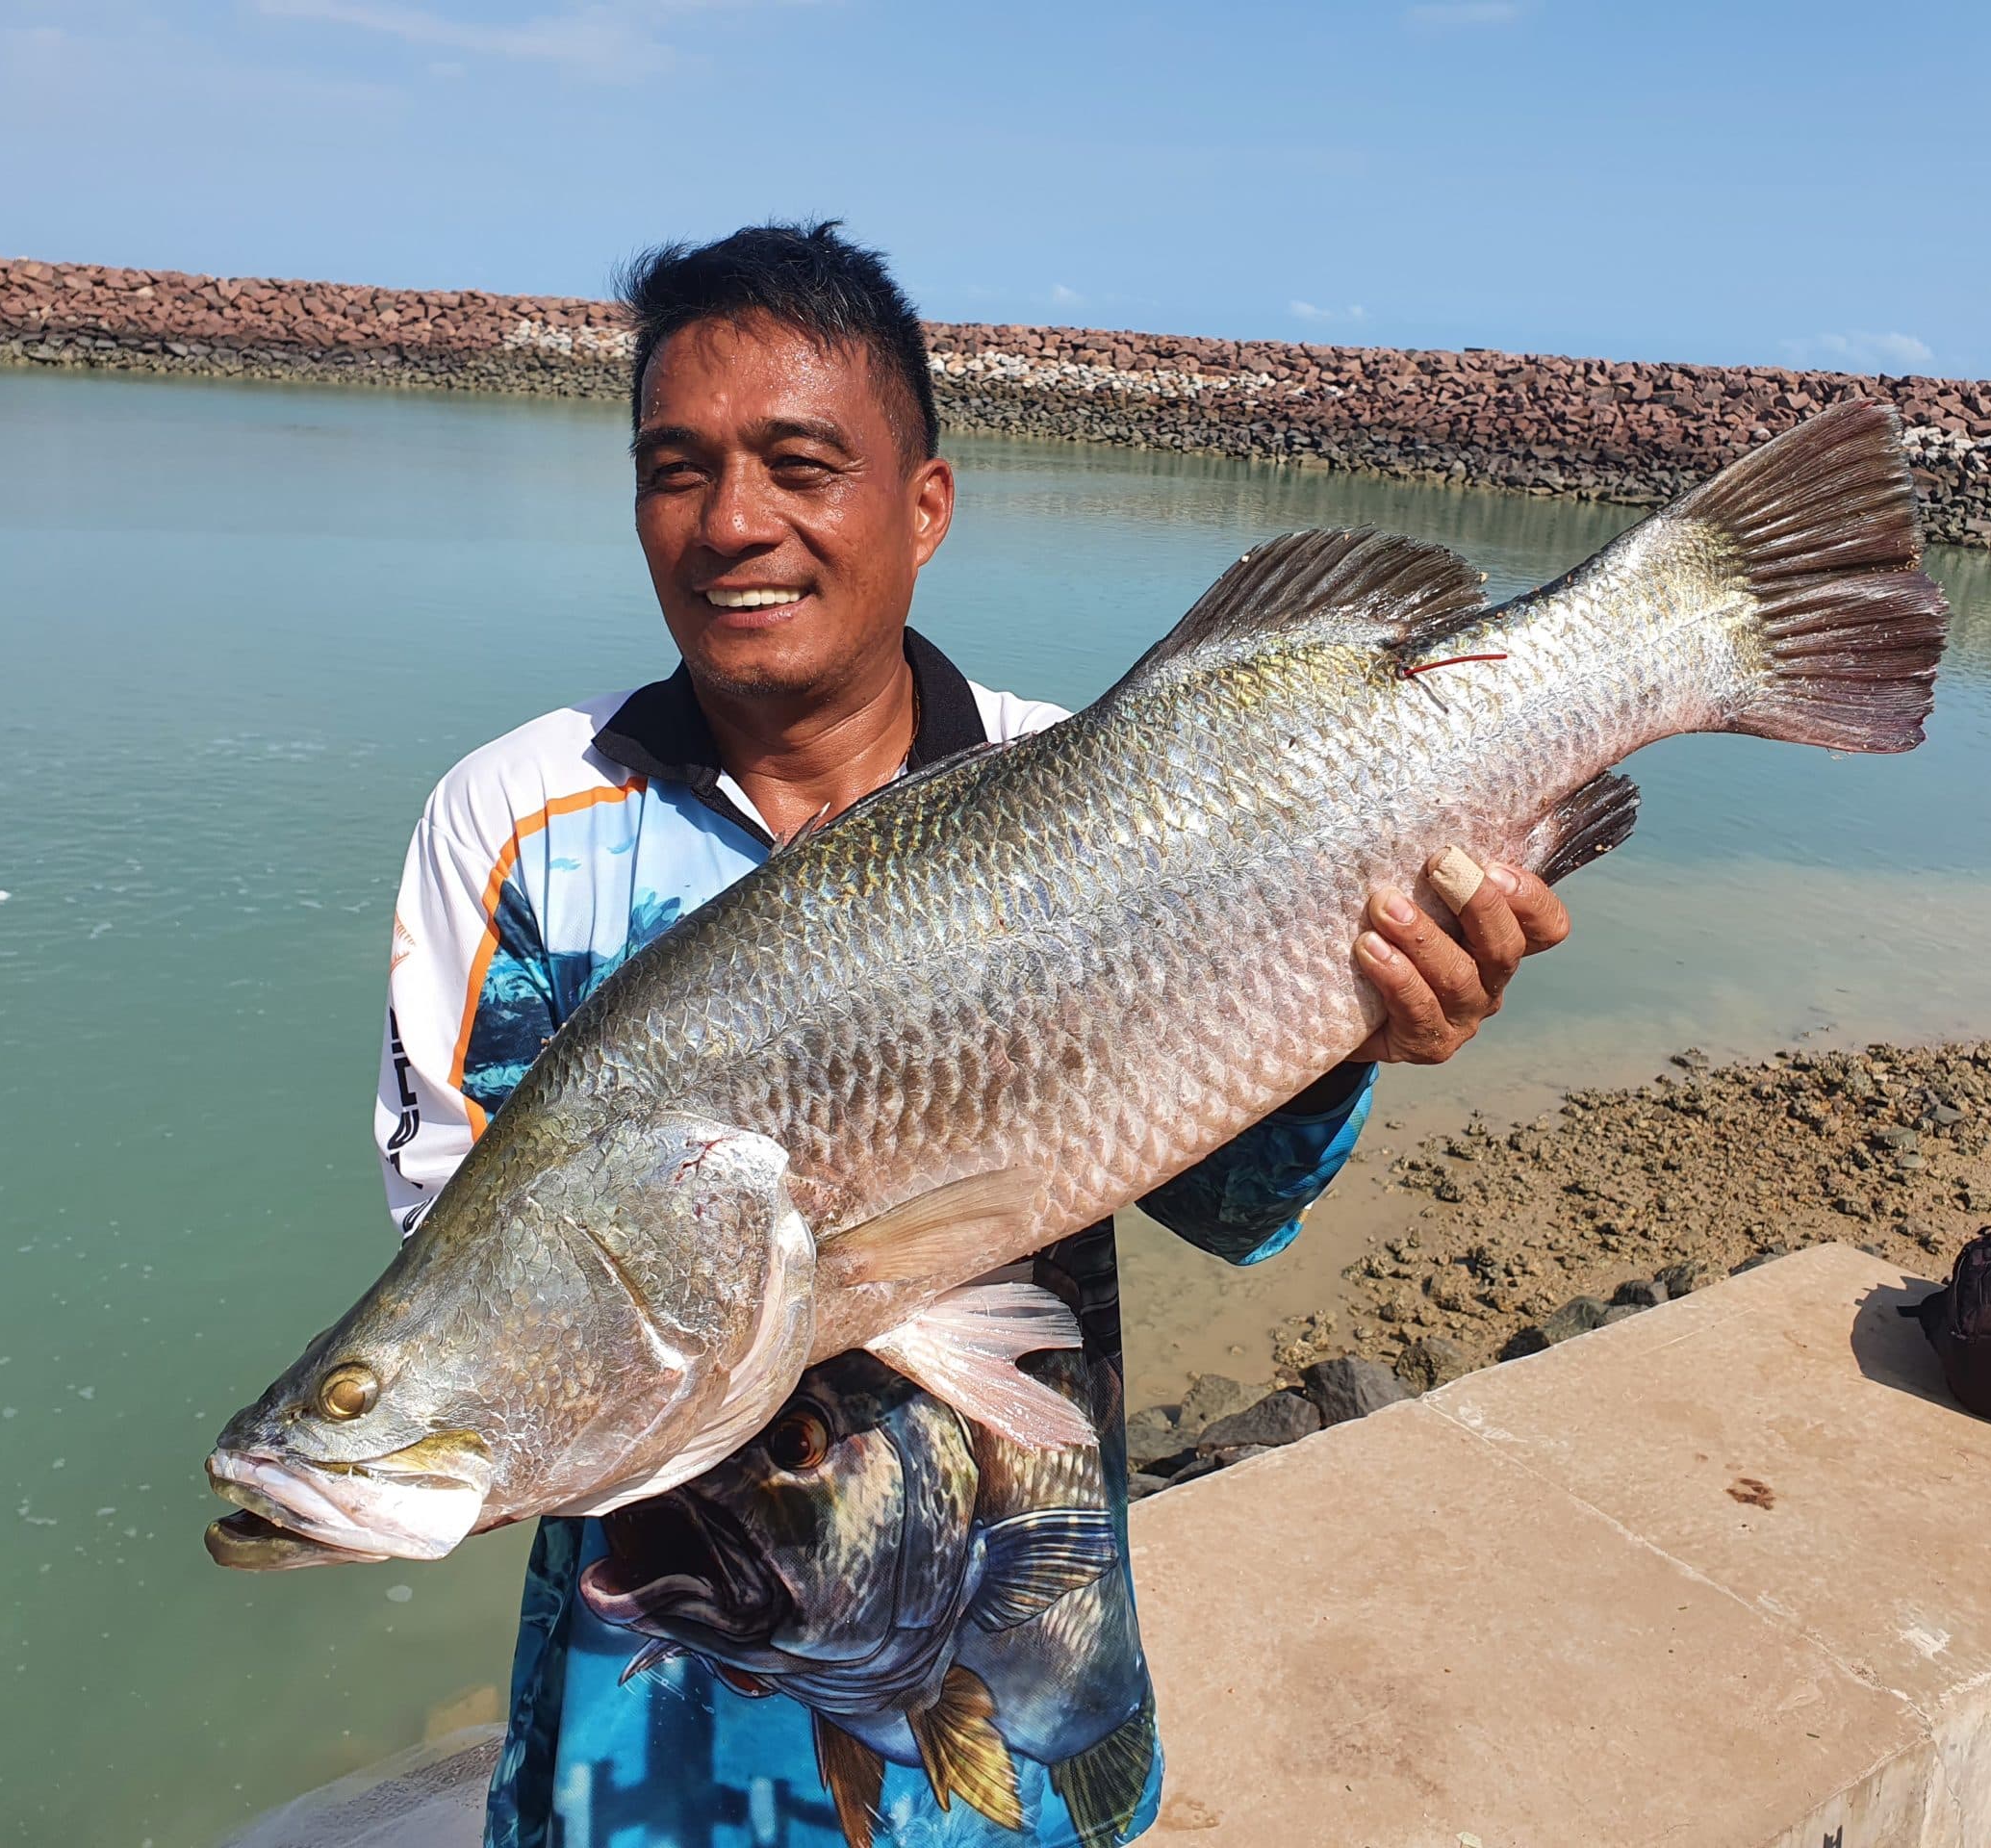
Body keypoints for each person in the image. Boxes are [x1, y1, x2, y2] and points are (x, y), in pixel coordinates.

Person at [376, 222, 1570, 1848]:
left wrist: (1365, 1027)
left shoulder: (1102, 779)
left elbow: (1232, 1212)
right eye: (677, 469)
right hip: (635, 1761)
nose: (734, 525)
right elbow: (489, 1293)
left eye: (801, 465)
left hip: (1020, 1747)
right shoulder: (511, 822)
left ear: (924, 508)